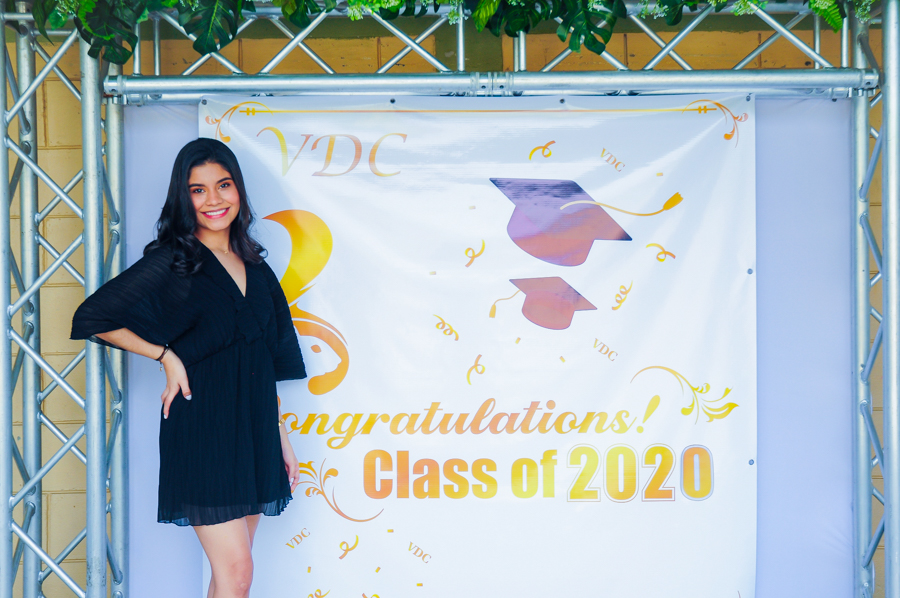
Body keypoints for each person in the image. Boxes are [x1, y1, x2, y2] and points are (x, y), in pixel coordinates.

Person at [71, 138, 306, 598]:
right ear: (183, 197)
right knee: (237, 573)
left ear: (239, 189)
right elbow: (93, 317)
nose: (214, 199)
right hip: (203, 429)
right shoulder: (173, 262)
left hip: (254, 430)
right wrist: (165, 356)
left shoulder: (258, 268)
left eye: (223, 185)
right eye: (198, 190)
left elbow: (265, 360)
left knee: (231, 577)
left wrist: (279, 435)